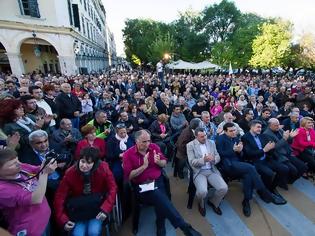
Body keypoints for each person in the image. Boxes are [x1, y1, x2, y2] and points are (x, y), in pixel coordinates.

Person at [123, 130, 201, 236]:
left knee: (158, 195)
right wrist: (143, 167)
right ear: (136, 141)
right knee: (158, 195)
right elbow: (129, 176)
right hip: (142, 185)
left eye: (149, 141)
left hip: (157, 181)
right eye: (144, 142)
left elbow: (164, 163)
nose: (147, 144)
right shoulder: (128, 154)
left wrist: (158, 162)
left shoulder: (154, 147)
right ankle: (180, 226)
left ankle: (163, 224)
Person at [216, 123, 285, 217]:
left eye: (234, 130)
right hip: (228, 165)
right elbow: (220, 154)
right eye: (231, 131)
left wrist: (240, 151)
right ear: (225, 131)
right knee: (251, 168)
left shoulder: (236, 138)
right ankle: (266, 193)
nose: (233, 132)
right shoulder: (220, 139)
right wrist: (234, 150)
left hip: (238, 163)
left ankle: (246, 201)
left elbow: (242, 155)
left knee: (248, 175)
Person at [54, 147, 117, 236]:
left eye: (88, 162)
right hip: (79, 209)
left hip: (97, 207)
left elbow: (112, 188)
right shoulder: (70, 173)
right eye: (82, 161)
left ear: (94, 164)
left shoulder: (104, 168)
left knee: (93, 232)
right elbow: (60, 196)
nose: (84, 165)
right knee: (78, 234)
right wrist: (62, 218)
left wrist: (106, 208)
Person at [0, 148, 57, 236]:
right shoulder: (2, 189)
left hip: (45, 219)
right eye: (13, 164)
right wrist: (44, 173)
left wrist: (47, 164)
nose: (19, 163)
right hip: (32, 230)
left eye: (17, 160)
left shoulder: (20, 167)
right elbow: (36, 198)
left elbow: (39, 170)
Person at [241, 120, 288, 202]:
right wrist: (264, 150)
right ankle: (262, 192)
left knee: (284, 169)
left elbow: (269, 149)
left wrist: (271, 148)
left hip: (266, 159)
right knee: (269, 173)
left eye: (261, 127)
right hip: (255, 161)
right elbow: (248, 153)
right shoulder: (245, 137)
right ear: (251, 127)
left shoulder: (262, 136)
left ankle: (271, 188)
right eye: (258, 127)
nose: (260, 129)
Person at [187, 128, 228, 216]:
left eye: (205, 135)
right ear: (196, 136)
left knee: (224, 188)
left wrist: (214, 160)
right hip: (199, 172)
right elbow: (191, 162)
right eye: (201, 137)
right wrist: (203, 160)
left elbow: (217, 156)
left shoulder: (211, 142)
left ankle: (214, 202)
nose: (204, 138)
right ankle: (201, 204)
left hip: (211, 170)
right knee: (202, 192)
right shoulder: (190, 145)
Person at [264, 118, 307, 186]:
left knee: (303, 167)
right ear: (270, 126)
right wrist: (284, 139)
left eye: (278, 124)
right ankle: (282, 182)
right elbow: (274, 148)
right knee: (293, 170)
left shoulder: (279, 130)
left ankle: (287, 181)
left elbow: (288, 141)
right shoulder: (266, 134)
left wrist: (291, 137)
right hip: (278, 155)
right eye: (275, 125)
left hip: (287, 153)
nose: (278, 126)